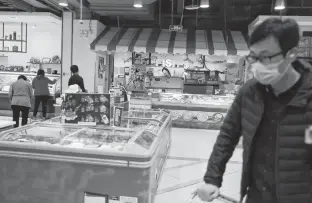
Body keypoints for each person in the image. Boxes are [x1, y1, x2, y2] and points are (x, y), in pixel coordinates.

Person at [195, 18, 312, 203]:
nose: (257, 65)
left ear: (291, 54)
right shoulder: (249, 92)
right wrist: (212, 179)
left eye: (265, 57)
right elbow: (227, 136)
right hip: (257, 195)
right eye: (253, 57)